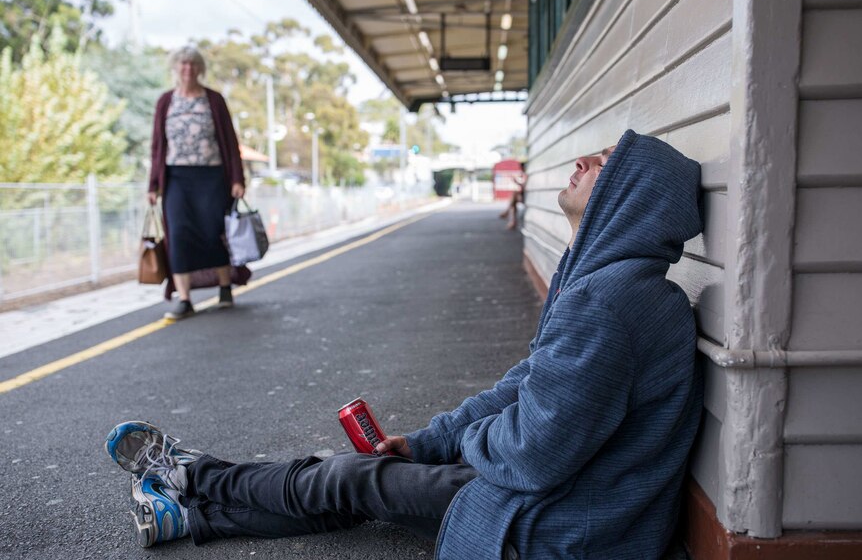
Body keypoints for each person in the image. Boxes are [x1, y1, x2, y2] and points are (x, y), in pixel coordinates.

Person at [107, 129, 704, 558]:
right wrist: (424, 445)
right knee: (358, 478)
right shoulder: (613, 288)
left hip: (562, 526)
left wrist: (458, 447)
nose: (581, 159)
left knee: (348, 478)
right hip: (576, 500)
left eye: (601, 161)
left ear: (629, 198)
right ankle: (186, 515)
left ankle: (194, 476)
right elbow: (521, 388)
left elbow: (530, 454)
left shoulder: (607, 303)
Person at [148, 46, 247, 320]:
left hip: (211, 177)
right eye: (182, 64)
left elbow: (230, 141)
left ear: (200, 68)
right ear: (175, 67)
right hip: (176, 178)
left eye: (193, 64)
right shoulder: (166, 101)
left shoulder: (213, 100)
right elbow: (157, 145)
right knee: (178, 234)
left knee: (212, 231)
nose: (187, 69)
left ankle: (225, 287)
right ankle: (184, 299)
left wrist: (237, 178)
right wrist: (153, 185)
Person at [498, 165, 527, 230]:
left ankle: (510, 216)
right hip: (523, 196)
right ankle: (511, 219)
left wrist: (516, 182)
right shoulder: (524, 174)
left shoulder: (526, 175)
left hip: (526, 197)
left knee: (514, 198)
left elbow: (523, 187)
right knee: (514, 201)